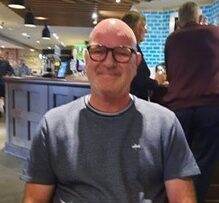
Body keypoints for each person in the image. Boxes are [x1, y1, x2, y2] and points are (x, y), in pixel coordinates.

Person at [21, 18, 200, 203]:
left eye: (122, 52)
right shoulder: (53, 125)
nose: (108, 63)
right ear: (87, 59)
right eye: (98, 51)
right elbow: (34, 199)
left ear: (136, 62)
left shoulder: (165, 124)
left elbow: (183, 198)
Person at [163, 2, 219, 202]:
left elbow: (170, 73)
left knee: (177, 162)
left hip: (179, 108)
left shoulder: (171, 40)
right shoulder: (214, 33)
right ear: (198, 17)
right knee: (203, 163)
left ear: (180, 20)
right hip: (210, 107)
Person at [122, 11, 166, 101]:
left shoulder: (129, 47)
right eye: (143, 25)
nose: (146, 31)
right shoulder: (130, 49)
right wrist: (157, 82)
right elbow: (139, 80)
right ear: (133, 28)